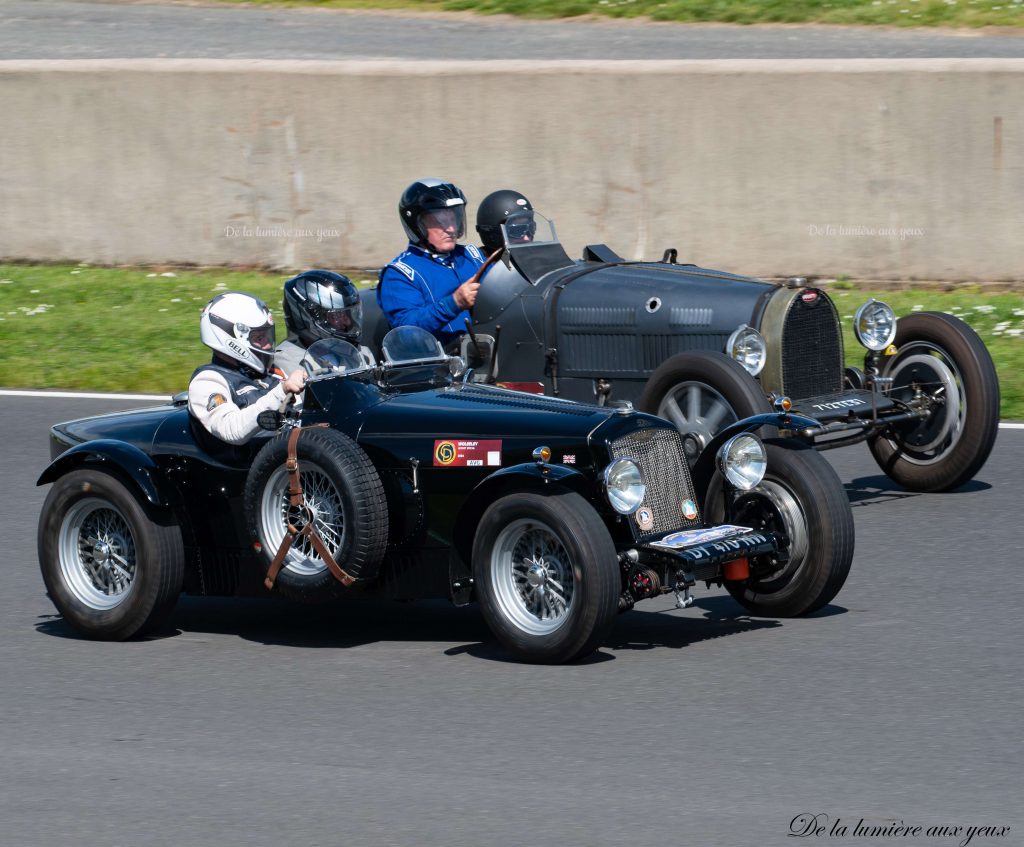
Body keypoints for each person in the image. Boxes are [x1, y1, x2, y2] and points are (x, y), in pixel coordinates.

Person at [377, 178, 486, 349]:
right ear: (417, 226)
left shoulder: (473, 256)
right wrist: (454, 303)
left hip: (491, 352)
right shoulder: (400, 273)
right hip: (441, 368)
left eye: (453, 219)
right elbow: (406, 332)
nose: (451, 229)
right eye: (440, 222)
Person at [188, 291, 305, 445]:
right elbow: (232, 430)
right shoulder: (207, 381)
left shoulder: (271, 374)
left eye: (267, 335)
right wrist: (281, 392)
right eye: (259, 338)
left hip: (290, 458)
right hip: (241, 465)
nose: (268, 344)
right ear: (231, 340)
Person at [275, 269, 366, 373]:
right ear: (308, 316)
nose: (348, 322)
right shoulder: (288, 362)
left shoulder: (359, 353)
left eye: (348, 314)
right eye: (337, 315)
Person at [475, 189, 537, 256]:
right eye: (517, 230)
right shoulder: (477, 264)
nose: (526, 238)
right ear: (493, 235)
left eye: (531, 228)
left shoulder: (541, 257)